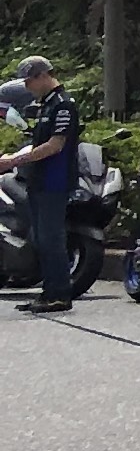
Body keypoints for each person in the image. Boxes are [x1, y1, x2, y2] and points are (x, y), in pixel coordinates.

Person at [7, 55, 82, 314]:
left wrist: (14, 161)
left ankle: (60, 294)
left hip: (54, 181)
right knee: (41, 239)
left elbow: (54, 145)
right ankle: (48, 293)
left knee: (52, 239)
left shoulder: (63, 106)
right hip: (38, 180)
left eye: (29, 81)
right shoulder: (45, 106)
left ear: (42, 76)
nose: (27, 87)